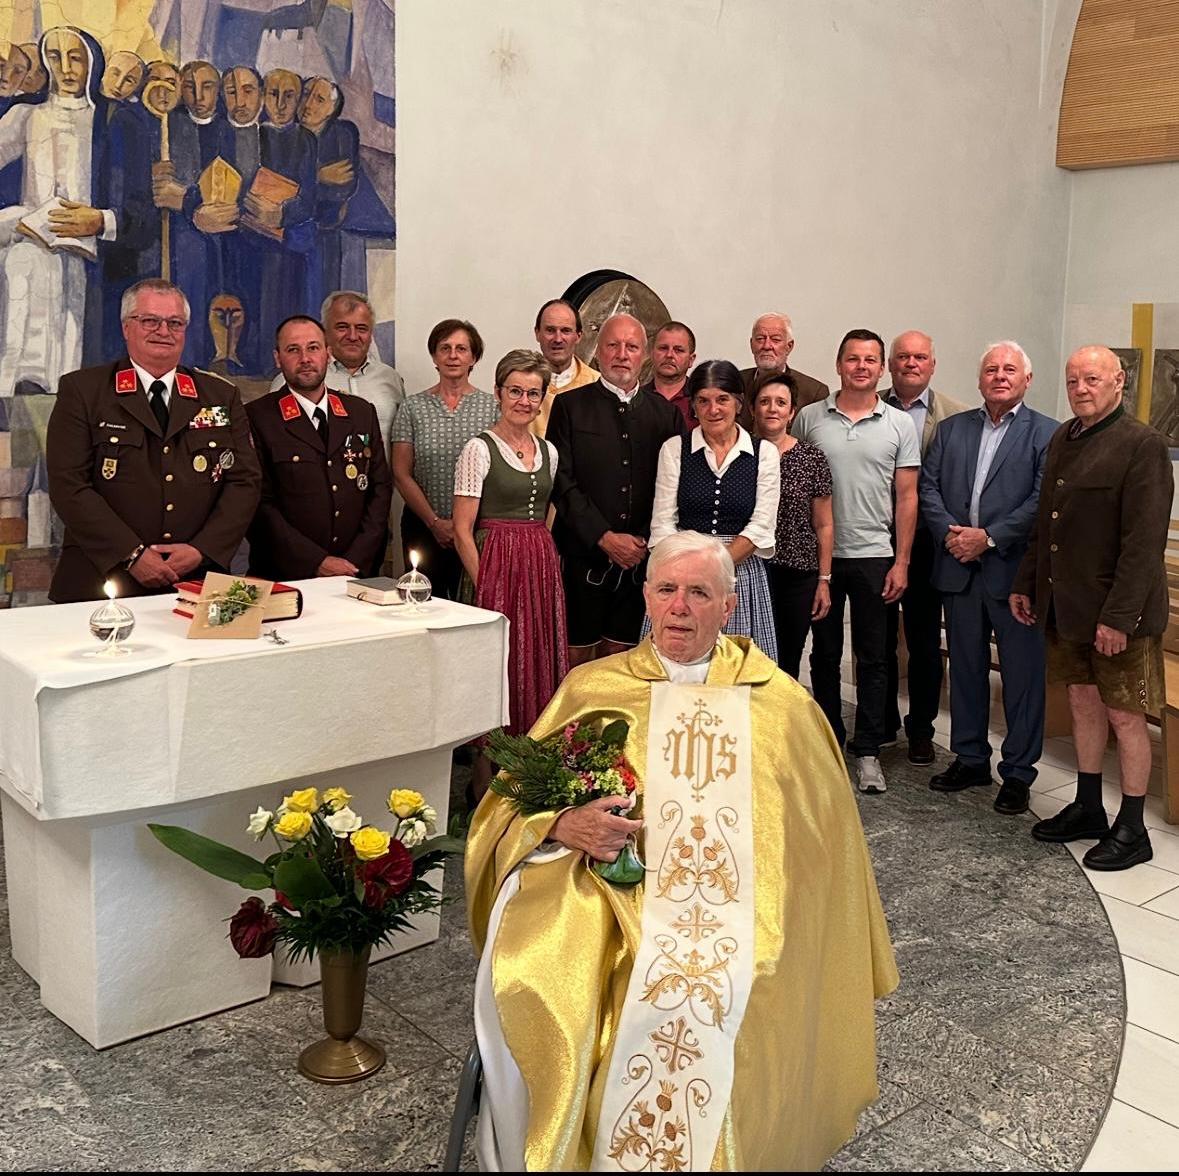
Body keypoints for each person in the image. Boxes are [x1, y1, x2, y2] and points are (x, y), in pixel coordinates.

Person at [466, 531, 898, 1172]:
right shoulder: (593, 686)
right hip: (614, 900)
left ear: (729, 607)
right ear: (645, 597)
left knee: (750, 976)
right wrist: (562, 824)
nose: (679, 607)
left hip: (747, 910)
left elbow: (820, 841)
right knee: (559, 971)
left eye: (699, 593)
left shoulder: (780, 703)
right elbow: (507, 801)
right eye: (666, 589)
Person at [1012, 346, 1173, 871]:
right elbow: (1046, 524)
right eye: (1072, 380)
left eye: (1092, 379)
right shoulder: (1064, 437)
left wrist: (1118, 619)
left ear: (1119, 381)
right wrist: (1027, 582)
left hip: (1120, 616)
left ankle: (1133, 826)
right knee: (1082, 703)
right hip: (1069, 607)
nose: (1080, 389)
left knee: (1125, 716)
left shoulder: (1143, 445)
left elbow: (1143, 545)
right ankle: (1087, 806)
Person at [45, 279, 260, 603]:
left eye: (175, 323)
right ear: (126, 327)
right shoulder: (84, 391)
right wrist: (131, 554)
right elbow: (69, 485)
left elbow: (244, 482)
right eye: (150, 321)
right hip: (101, 580)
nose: (163, 331)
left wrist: (202, 550)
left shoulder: (220, 395)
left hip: (196, 580)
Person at [920, 341, 1056, 814]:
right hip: (958, 567)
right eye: (992, 369)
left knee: (1022, 677)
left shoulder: (1047, 434)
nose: (1000, 376)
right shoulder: (952, 429)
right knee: (965, 669)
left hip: (1014, 575)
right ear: (980, 379)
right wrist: (953, 536)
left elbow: (1041, 500)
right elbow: (928, 488)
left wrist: (990, 538)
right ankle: (971, 757)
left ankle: (1018, 772)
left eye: (1010, 369)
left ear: (1027, 379)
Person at [794, 329, 920, 794]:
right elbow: (795, 483)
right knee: (824, 655)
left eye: (870, 360)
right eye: (853, 359)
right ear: (838, 364)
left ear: (881, 368)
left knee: (874, 658)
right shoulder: (810, 418)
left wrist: (901, 561)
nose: (861, 367)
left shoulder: (899, 425)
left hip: (874, 557)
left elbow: (907, 498)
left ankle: (868, 750)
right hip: (820, 559)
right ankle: (829, 740)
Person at [454, 349, 568, 794]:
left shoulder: (548, 451)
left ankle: (531, 778)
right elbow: (462, 530)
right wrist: (488, 585)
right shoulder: (478, 449)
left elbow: (548, 513)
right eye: (515, 391)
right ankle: (484, 788)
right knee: (497, 672)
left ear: (541, 399)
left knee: (534, 664)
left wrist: (541, 558)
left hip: (537, 567)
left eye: (532, 393)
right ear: (499, 393)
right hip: (495, 564)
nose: (524, 401)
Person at [548, 313, 683, 665]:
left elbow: (672, 488)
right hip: (582, 556)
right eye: (613, 345)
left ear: (645, 355)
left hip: (640, 560)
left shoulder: (666, 415)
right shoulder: (569, 406)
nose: (622, 354)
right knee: (576, 657)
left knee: (624, 658)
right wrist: (604, 537)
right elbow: (560, 481)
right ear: (598, 351)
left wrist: (641, 540)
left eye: (632, 346)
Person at [0, 27, 115, 396]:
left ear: (92, 63)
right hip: (28, 242)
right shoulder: (28, 115)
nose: (65, 68)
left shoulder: (106, 121)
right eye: (55, 57)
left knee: (69, 339)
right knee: (22, 273)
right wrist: (15, 218)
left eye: (75, 58)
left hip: (84, 250)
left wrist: (97, 220)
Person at [648, 359, 780, 658]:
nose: (713, 409)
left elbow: (761, 525)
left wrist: (715, 568)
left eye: (722, 399)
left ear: (738, 403)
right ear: (693, 407)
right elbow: (663, 523)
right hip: (681, 569)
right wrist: (688, 572)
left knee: (736, 667)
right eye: (703, 401)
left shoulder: (764, 453)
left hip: (738, 573)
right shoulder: (675, 449)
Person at [246, 315, 392, 582]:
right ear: (278, 358)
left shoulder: (360, 412)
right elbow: (257, 505)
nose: (305, 358)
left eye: (313, 348)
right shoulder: (257, 417)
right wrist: (316, 562)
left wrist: (355, 561)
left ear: (328, 353)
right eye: (293, 349)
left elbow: (379, 489)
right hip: (286, 575)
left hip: (356, 572)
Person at [882, 331, 969, 764]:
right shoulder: (870, 406)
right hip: (877, 539)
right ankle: (881, 721)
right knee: (877, 640)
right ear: (890, 364)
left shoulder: (955, 416)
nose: (911, 364)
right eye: (903, 357)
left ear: (932, 364)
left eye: (920, 357)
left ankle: (921, 728)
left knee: (923, 643)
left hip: (929, 545)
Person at [391, 318, 498, 598]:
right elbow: (401, 473)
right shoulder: (412, 407)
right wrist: (434, 522)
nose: (453, 355)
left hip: (477, 529)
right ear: (434, 356)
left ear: (474, 357)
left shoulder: (493, 407)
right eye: (445, 348)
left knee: (473, 604)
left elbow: (499, 470)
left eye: (461, 349)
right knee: (423, 606)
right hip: (423, 527)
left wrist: (463, 527)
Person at [753, 370, 834, 679]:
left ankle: (783, 711)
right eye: (764, 401)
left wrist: (824, 579)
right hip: (753, 571)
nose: (772, 408)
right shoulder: (741, 453)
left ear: (792, 412)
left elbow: (824, 524)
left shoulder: (812, 458)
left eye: (780, 402)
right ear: (753, 409)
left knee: (787, 660)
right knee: (751, 659)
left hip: (798, 575)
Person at [737, 311, 829, 430]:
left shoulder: (813, 393)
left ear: (789, 346)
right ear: (751, 345)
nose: (766, 346)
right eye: (760, 339)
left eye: (775, 340)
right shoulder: (734, 383)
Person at [531, 298, 599, 436]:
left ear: (578, 336)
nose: (557, 339)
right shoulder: (521, 384)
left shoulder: (597, 385)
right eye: (550, 330)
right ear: (537, 333)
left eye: (566, 331)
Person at [639, 320, 697, 428]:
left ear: (691, 359)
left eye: (678, 350)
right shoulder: (635, 400)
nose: (669, 355)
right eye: (663, 348)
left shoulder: (702, 400)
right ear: (652, 353)